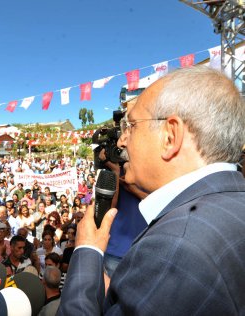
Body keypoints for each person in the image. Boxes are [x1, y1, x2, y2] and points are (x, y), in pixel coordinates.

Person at [58, 67, 245, 315]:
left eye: (132, 126)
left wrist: (87, 251)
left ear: (170, 137)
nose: (122, 141)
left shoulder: (174, 248)